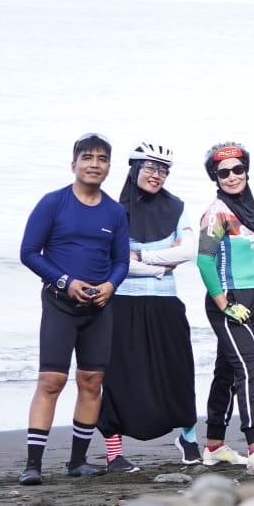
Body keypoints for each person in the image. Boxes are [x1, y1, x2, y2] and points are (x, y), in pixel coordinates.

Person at [18, 133, 130, 485]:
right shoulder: (53, 203)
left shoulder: (115, 211)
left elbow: (121, 261)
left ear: (109, 167)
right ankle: (33, 465)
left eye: (102, 158)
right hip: (60, 304)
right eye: (88, 157)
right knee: (51, 380)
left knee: (91, 381)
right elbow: (29, 252)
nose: (94, 164)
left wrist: (111, 285)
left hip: (99, 307)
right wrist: (66, 281)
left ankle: (77, 461)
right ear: (74, 164)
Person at [98, 142, 199, 472]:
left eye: (163, 170)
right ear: (135, 169)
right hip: (122, 304)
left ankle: (189, 438)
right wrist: (159, 265)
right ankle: (114, 453)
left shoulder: (177, 208)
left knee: (179, 372)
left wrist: (139, 257)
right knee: (117, 377)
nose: (157, 175)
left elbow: (188, 252)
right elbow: (115, 263)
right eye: (150, 168)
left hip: (165, 303)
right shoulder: (113, 210)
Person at [197, 142, 254, 471]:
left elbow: (248, 262)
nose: (232, 177)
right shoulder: (216, 211)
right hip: (228, 300)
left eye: (238, 170)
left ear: (246, 171)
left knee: (227, 371)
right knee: (250, 368)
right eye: (224, 173)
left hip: (250, 299)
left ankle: (214, 445)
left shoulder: (249, 210)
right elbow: (204, 262)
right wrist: (224, 304)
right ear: (215, 178)